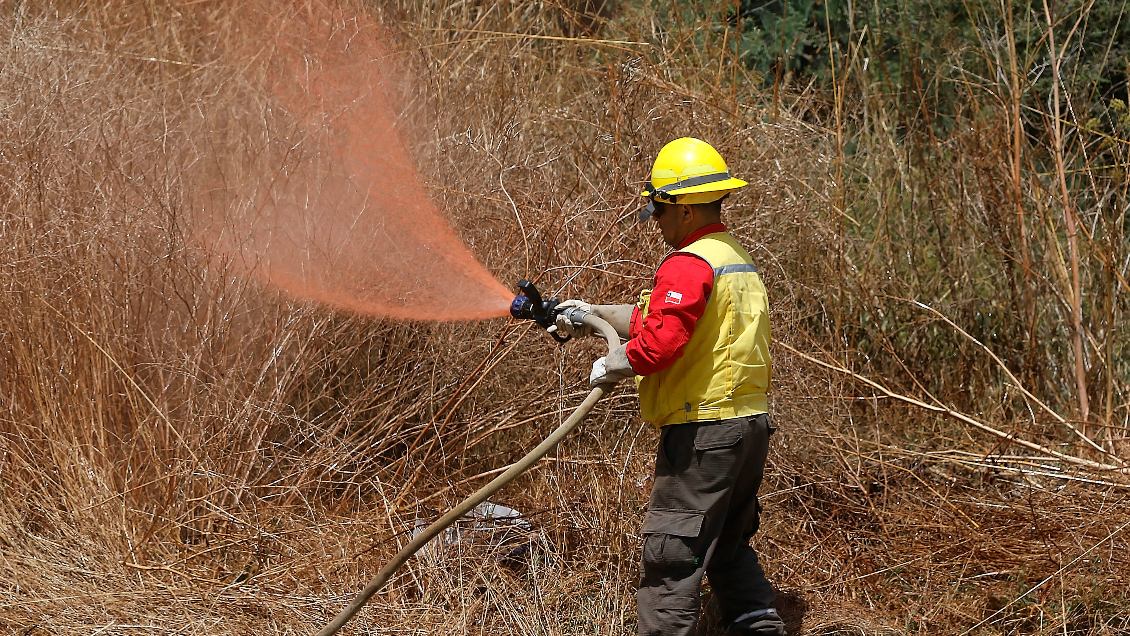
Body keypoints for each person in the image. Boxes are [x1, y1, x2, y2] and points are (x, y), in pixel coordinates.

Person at [555, 138, 784, 636]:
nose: (655, 221)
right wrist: (588, 314)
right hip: (748, 428)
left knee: (671, 558)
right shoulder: (733, 259)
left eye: (658, 210)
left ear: (682, 209)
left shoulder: (689, 262)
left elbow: (659, 344)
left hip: (703, 431)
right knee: (725, 544)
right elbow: (658, 317)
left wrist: (615, 362)